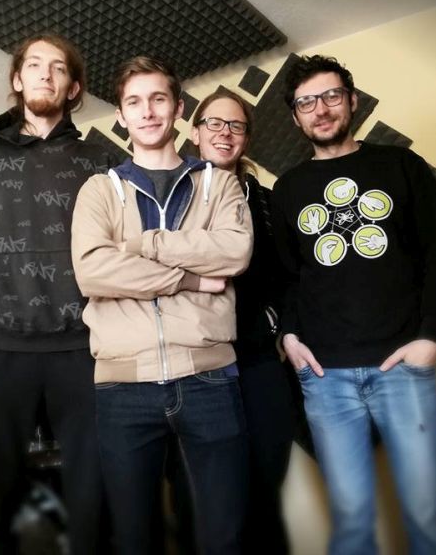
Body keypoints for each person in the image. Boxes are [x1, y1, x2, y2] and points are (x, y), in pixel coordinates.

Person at [272, 54, 436, 555]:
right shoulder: (288, 189)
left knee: (424, 512)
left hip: (403, 367)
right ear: (296, 117)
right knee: (352, 519)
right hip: (325, 378)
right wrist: (289, 337)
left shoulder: (401, 166)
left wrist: (431, 338)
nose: (320, 109)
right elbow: (288, 278)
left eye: (331, 95)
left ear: (352, 101)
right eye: (306, 103)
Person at [71, 56, 253, 555]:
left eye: (157, 99)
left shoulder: (219, 183)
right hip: (122, 388)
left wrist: (143, 244)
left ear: (178, 108)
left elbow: (234, 252)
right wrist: (191, 276)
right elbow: (93, 272)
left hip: (210, 381)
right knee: (134, 540)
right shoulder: (98, 190)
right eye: (134, 102)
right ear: (121, 116)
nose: (147, 111)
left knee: (223, 538)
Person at [0, 33, 115, 555]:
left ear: (74, 88)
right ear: (17, 80)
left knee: (96, 502)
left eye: (58, 67)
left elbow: (119, 255)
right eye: (35, 65)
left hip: (86, 350)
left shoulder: (102, 160)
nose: (46, 73)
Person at [166, 87, 294, 554]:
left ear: (246, 138)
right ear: (195, 133)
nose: (225, 132)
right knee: (199, 499)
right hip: (194, 367)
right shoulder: (168, 196)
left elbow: (287, 275)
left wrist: (278, 324)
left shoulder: (265, 200)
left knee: (263, 493)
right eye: (214, 123)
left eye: (236, 125)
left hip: (257, 362)